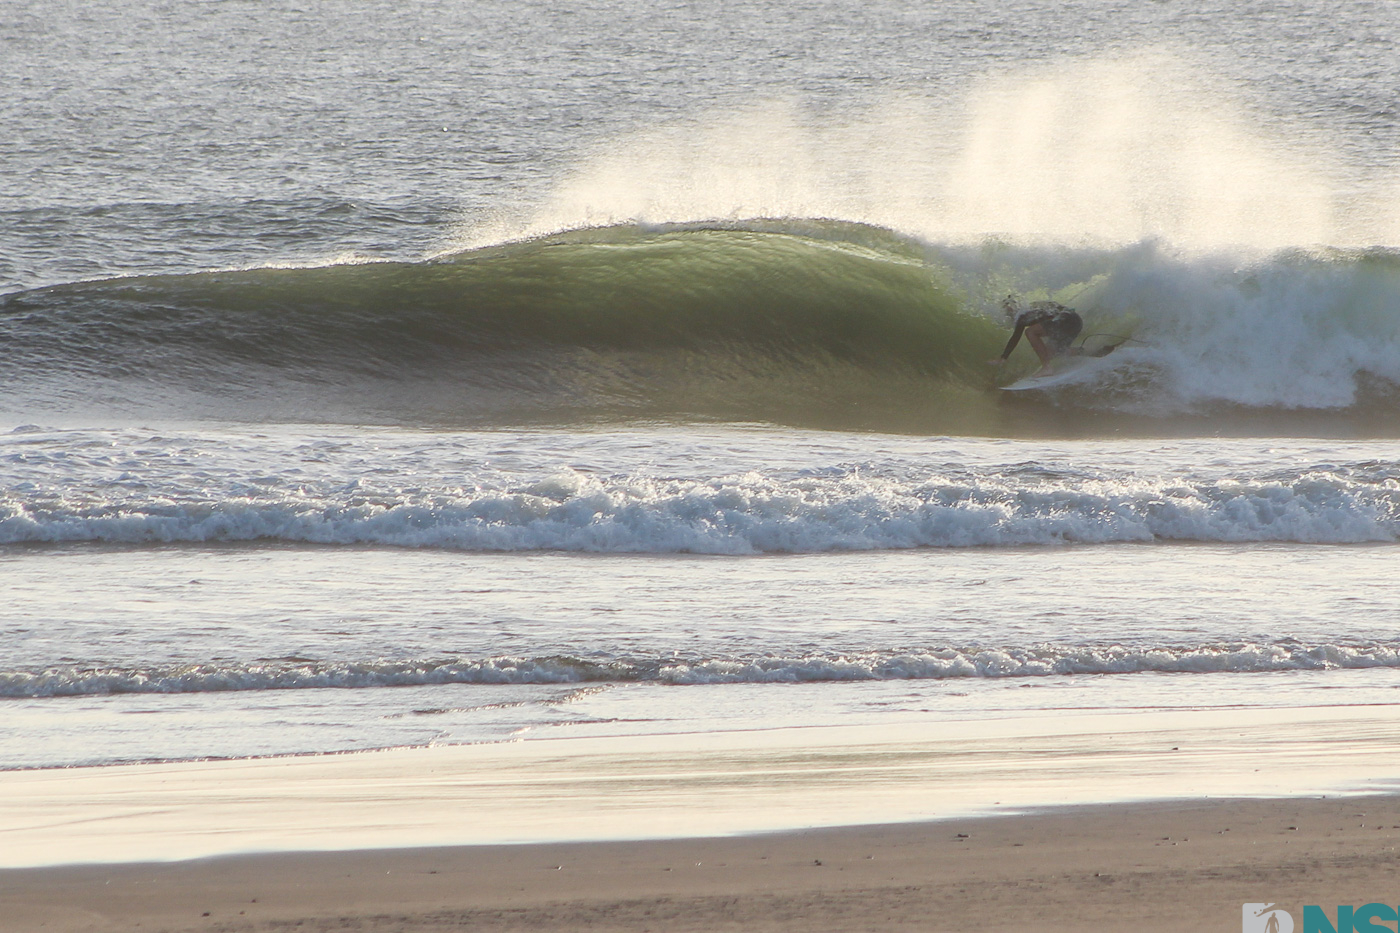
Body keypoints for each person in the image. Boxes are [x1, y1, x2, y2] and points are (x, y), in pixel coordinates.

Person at [988, 296, 1114, 378]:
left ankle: (1046, 367)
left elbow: (1016, 337)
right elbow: (1056, 307)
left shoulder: (1022, 315)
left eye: (1008, 309)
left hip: (1066, 321)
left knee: (1030, 332)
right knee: (1050, 353)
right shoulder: (1033, 306)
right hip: (1075, 321)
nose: (1008, 313)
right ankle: (1095, 351)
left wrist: (1003, 357)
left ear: (1013, 307)